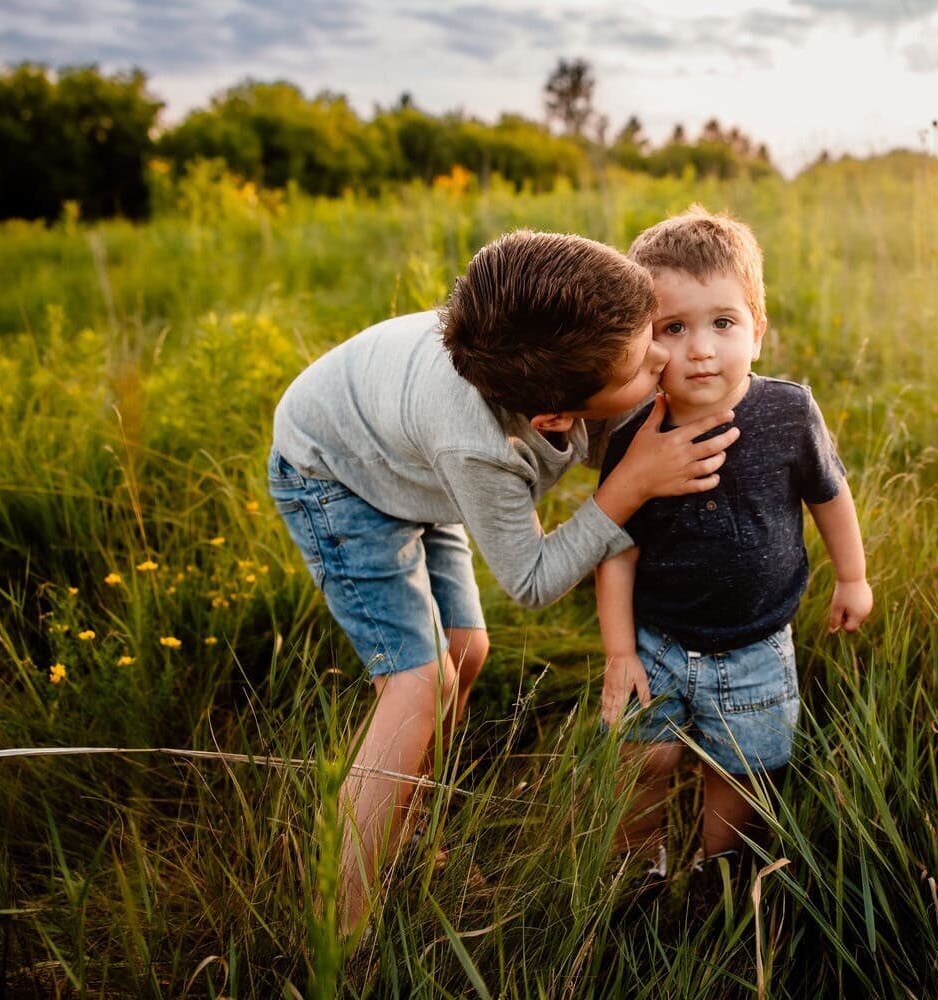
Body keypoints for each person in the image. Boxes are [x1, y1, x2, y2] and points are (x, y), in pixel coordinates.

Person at [268, 231, 741, 932]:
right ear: (551, 417)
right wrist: (629, 488)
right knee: (416, 685)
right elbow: (530, 579)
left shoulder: (547, 342)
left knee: (467, 651)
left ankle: (410, 822)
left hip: (408, 464)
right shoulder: (479, 445)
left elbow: (624, 428)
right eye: (645, 362)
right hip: (335, 477)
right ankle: (345, 921)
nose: (666, 357)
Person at [595, 207, 872, 879]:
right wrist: (619, 651)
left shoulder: (786, 412)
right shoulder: (633, 429)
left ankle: (717, 876)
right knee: (644, 758)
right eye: (674, 328)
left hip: (756, 644)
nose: (701, 348)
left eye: (723, 323)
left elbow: (828, 494)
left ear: (758, 331)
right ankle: (640, 869)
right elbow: (616, 547)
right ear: (645, 342)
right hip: (656, 639)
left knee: (742, 771)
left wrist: (852, 577)